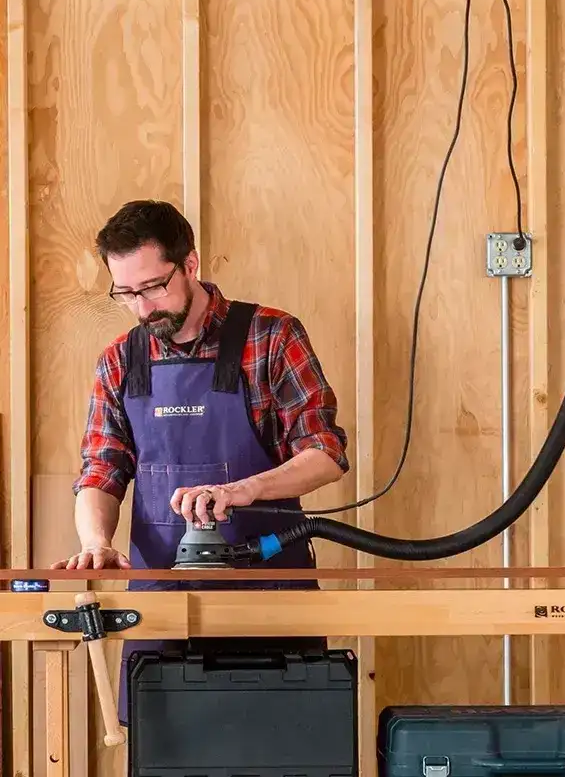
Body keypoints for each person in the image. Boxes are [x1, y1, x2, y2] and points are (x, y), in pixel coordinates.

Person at [52, 199, 350, 724]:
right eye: (126, 293)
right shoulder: (121, 361)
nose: (142, 309)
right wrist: (95, 543)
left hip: (270, 602)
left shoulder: (271, 337)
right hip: (162, 607)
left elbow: (324, 451)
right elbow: (101, 469)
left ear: (190, 265)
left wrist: (244, 490)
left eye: (153, 288)